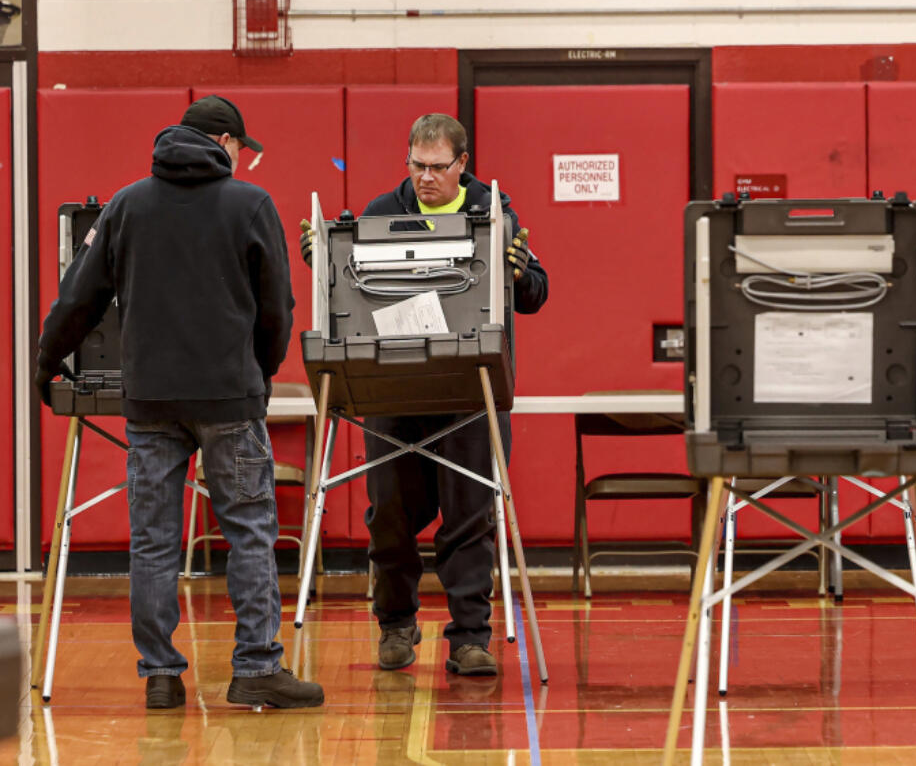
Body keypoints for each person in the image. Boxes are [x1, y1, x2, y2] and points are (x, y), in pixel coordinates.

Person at [35, 95, 323, 710]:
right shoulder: (251, 205)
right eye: (242, 149)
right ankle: (256, 668)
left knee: (155, 538)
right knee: (247, 530)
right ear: (224, 144)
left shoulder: (127, 205)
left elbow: (79, 298)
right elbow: (278, 309)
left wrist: (47, 358)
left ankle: (160, 675)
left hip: (150, 399)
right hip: (229, 396)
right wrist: (261, 374)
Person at [304, 113, 548, 676]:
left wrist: (520, 272)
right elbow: (346, 291)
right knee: (389, 513)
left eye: (439, 168)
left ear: (462, 165)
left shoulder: (495, 216)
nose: (426, 178)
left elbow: (535, 294)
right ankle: (395, 624)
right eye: (417, 165)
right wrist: (322, 263)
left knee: (469, 516)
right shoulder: (379, 214)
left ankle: (469, 638)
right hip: (392, 388)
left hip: (467, 388)